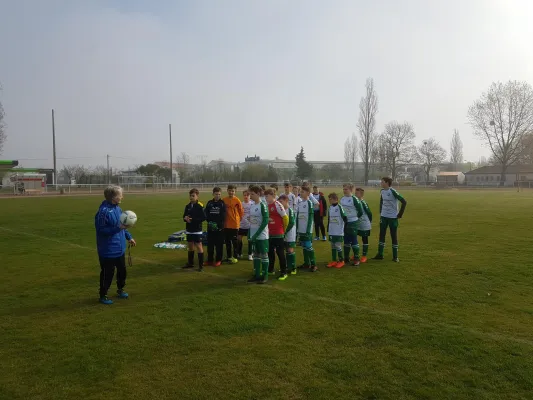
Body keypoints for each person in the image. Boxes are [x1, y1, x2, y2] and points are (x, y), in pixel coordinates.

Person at [95, 185, 136, 305]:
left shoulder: (118, 209)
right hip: (108, 250)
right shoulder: (103, 212)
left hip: (120, 249)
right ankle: (103, 295)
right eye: (120, 195)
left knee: (122, 272)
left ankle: (120, 289)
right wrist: (118, 228)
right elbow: (101, 230)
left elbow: (122, 225)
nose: (122, 196)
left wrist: (129, 237)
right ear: (113, 197)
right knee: (107, 274)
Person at [373, 177, 407, 262]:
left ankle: (395, 257)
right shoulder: (382, 191)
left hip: (392, 217)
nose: (381, 183)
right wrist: (381, 212)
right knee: (382, 235)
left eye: (382, 182)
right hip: (384, 217)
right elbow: (382, 201)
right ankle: (380, 254)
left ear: (387, 183)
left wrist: (400, 214)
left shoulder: (393, 191)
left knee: (393, 236)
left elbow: (404, 201)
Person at [247, 185, 270, 284]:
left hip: (262, 235)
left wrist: (256, 234)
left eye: (252, 194)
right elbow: (252, 221)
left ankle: (264, 276)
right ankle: (257, 275)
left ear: (258, 194)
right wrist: (250, 233)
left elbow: (265, 221)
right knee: (256, 254)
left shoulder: (262, 205)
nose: (250, 196)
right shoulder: (252, 205)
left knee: (264, 255)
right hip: (253, 235)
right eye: (250, 194)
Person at [265, 189, 289, 280]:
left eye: (267, 196)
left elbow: (285, 218)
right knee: (270, 253)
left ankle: (284, 272)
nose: (266, 198)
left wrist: (283, 230)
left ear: (272, 195)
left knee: (280, 253)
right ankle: (271, 269)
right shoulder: (267, 205)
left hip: (278, 234)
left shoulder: (277, 204)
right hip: (270, 233)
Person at [182, 188, 206, 271]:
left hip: (197, 230)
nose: (191, 197)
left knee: (199, 246)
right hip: (189, 229)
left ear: (197, 196)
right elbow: (183, 217)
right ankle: (190, 263)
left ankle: (201, 266)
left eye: (193, 196)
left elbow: (203, 217)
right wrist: (185, 218)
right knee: (190, 246)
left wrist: (193, 219)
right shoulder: (187, 206)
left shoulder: (200, 206)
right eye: (190, 196)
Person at [340, 183, 364, 266]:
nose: (344, 190)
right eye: (343, 189)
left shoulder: (354, 199)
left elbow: (360, 211)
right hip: (345, 222)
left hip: (353, 222)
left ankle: (357, 259)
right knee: (346, 239)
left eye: (346, 189)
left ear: (351, 190)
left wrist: (354, 217)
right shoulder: (342, 199)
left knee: (353, 239)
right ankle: (346, 257)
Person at [296, 186, 317, 272]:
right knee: (304, 246)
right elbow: (298, 217)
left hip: (307, 229)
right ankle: (306, 263)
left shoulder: (309, 203)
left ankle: (313, 264)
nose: (301, 193)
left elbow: (311, 217)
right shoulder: (300, 203)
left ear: (308, 193)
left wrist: (308, 229)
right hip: (301, 229)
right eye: (301, 192)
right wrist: (297, 228)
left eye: (303, 192)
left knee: (308, 246)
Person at [205, 187, 226, 267]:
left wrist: (218, 225)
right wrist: (209, 222)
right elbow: (206, 213)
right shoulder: (209, 203)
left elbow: (223, 215)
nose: (217, 196)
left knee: (219, 245)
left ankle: (218, 260)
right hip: (210, 227)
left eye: (219, 194)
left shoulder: (222, 203)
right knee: (210, 245)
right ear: (213, 194)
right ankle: (210, 260)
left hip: (219, 228)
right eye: (216, 194)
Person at [223, 184, 244, 264]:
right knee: (227, 242)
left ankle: (235, 256)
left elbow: (241, 211)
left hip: (234, 224)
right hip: (226, 224)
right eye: (229, 190)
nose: (231, 192)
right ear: (227, 190)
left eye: (233, 191)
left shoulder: (237, 200)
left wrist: (238, 219)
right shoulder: (224, 200)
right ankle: (229, 256)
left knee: (234, 242)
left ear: (235, 191)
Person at [278, 194, 297, 275]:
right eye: (279, 202)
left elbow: (291, 222)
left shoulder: (290, 210)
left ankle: (293, 268)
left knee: (290, 249)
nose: (280, 204)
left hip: (290, 233)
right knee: (285, 249)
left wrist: (284, 231)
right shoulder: (281, 211)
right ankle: (287, 267)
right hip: (283, 232)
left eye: (281, 202)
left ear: (286, 201)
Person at [327, 193, 347, 268]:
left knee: (337, 245)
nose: (329, 200)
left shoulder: (339, 207)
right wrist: (328, 227)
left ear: (335, 199)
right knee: (332, 245)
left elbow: (345, 217)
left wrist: (344, 228)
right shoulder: (330, 207)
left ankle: (341, 261)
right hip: (332, 230)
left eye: (330, 199)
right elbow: (329, 218)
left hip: (338, 231)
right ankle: (334, 261)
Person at [355, 187, 373, 263]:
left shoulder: (363, 202)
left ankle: (364, 256)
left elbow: (369, 213)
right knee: (354, 238)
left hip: (364, 224)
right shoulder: (355, 201)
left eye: (357, 193)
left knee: (364, 239)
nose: (355, 194)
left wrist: (369, 222)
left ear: (361, 194)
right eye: (355, 193)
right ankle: (356, 255)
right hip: (356, 223)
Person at [237, 189, 254, 261]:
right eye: (245, 195)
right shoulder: (241, 204)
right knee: (239, 239)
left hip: (250, 225)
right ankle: (239, 253)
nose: (246, 196)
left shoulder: (252, 204)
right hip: (241, 225)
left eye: (247, 195)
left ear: (250, 196)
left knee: (250, 240)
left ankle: (250, 254)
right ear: (243, 196)